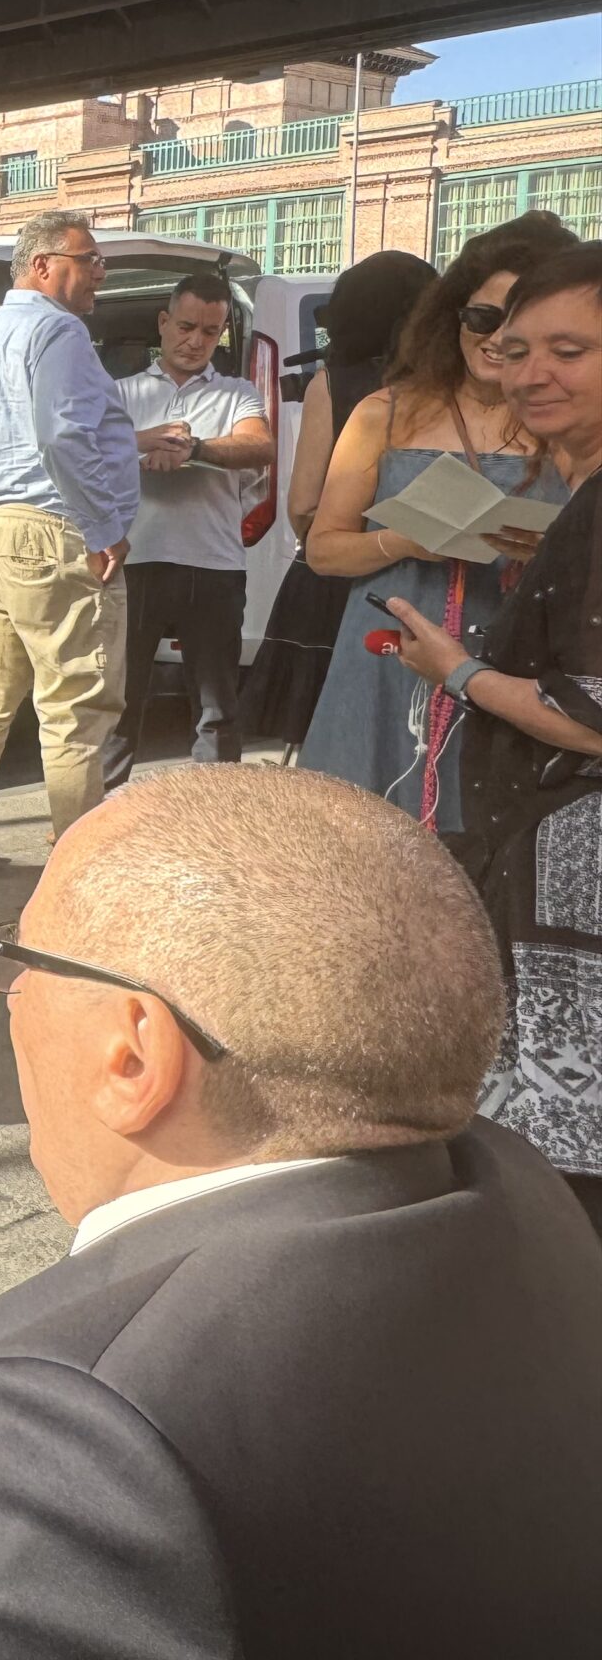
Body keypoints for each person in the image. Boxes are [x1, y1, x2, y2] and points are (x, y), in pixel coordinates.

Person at [0, 763, 602, 1660]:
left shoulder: (47, 1457)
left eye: (22, 959)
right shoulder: (523, 1189)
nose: (10, 999)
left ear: (134, 1055)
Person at [383, 246, 602, 1233]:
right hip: (556, 884)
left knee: (568, 1176)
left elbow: (592, 709)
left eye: (569, 350)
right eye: (514, 350)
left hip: (579, 895)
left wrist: (459, 674)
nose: (530, 374)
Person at [300, 214, 577, 828]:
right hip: (386, 670)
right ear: (453, 316)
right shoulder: (384, 414)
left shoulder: (570, 426)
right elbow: (323, 549)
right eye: (482, 317)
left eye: (519, 321)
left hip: (507, 678)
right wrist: (401, 540)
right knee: (363, 865)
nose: (496, 336)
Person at [0, 210, 139, 881]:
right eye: (90, 258)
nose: (99, 272)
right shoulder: (59, 331)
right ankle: (77, 872)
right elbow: (60, 436)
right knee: (76, 707)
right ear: (43, 265)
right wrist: (105, 527)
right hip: (48, 530)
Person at [239, 248, 438, 746]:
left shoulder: (334, 383)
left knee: (332, 744)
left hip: (337, 589)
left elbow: (304, 503)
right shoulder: (449, 385)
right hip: (431, 584)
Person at [101, 273, 274, 784]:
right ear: (162, 324)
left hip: (214, 566)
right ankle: (96, 822)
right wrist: (144, 443)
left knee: (216, 706)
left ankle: (214, 814)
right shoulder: (120, 394)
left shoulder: (237, 393)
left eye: (210, 331)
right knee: (118, 701)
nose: (196, 341)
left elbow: (260, 446)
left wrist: (193, 448)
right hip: (133, 562)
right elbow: (87, 454)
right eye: (186, 326)